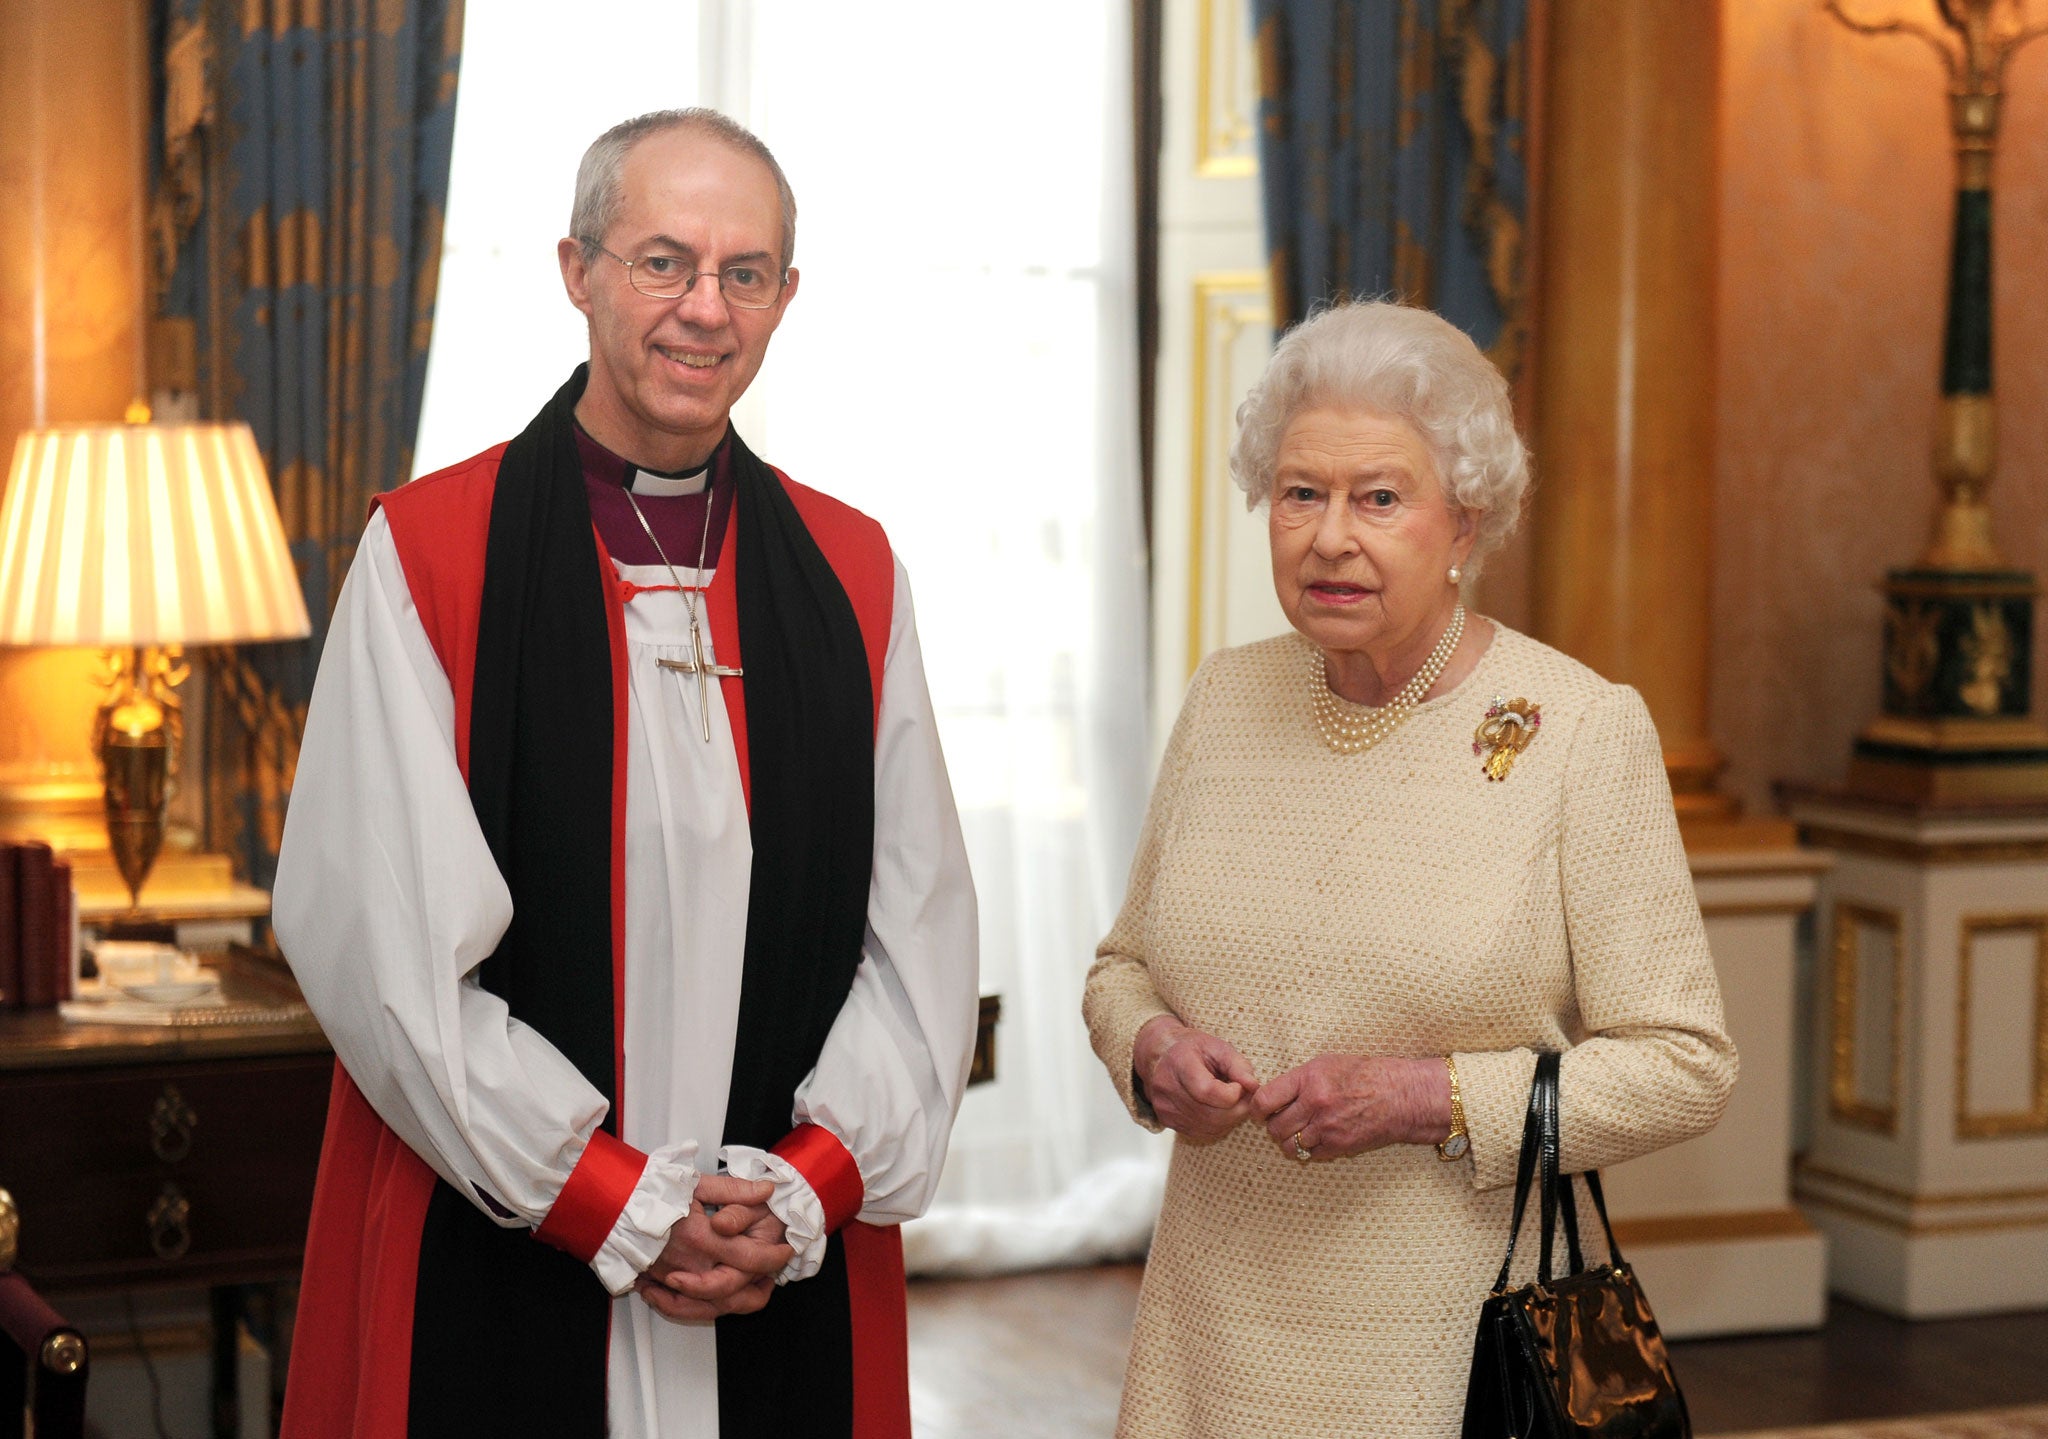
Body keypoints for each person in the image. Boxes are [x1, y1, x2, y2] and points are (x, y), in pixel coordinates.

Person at [272, 108, 979, 1439]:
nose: (705, 309)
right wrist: (614, 1199)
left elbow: (921, 936)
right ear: (576, 268)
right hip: (506, 1237)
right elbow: (386, 956)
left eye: (745, 272)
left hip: (777, 1256)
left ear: (785, 298)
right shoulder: (432, 556)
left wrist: (802, 1185)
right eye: (664, 261)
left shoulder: (852, 573)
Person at [1082, 300, 1737, 1439]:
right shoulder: (1225, 698)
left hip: (1450, 1353)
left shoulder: (1577, 729)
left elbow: (1684, 1064)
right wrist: (1148, 1049)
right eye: (1300, 492)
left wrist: (1422, 1097)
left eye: (1378, 497)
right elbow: (1123, 963)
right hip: (1204, 1332)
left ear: (1464, 521)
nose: (1330, 536)